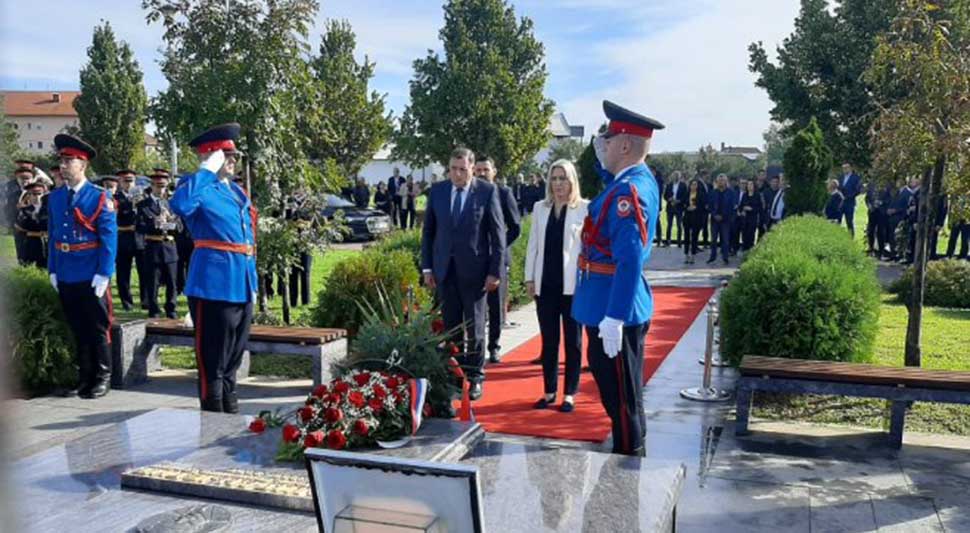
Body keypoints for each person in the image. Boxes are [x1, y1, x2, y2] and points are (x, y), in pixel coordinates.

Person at [572, 100, 663, 456]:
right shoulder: (632, 180)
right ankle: (632, 450)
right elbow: (610, 183)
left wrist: (614, 317)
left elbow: (629, 259)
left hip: (611, 306)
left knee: (622, 402)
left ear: (625, 145)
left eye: (608, 141)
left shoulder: (628, 192)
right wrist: (602, 159)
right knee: (626, 397)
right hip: (605, 300)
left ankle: (627, 463)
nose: (603, 146)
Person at [170, 123, 258, 413]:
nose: (233, 161)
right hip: (213, 285)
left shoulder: (236, 191)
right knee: (213, 361)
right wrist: (206, 170)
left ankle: (230, 412)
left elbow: (247, 239)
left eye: (233, 156)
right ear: (211, 156)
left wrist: (253, 284)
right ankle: (212, 416)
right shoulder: (196, 186)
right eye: (226, 156)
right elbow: (180, 205)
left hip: (241, 283)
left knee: (233, 358)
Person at [421, 147, 505, 402]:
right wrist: (427, 268)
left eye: (462, 169)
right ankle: (455, 377)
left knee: (475, 328)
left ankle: (475, 376)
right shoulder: (438, 191)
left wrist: (494, 272)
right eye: (453, 169)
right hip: (445, 272)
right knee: (451, 327)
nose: (457, 174)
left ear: (471, 168)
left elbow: (497, 236)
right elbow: (428, 233)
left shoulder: (487, 192)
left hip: (476, 274)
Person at [47, 134, 118, 399]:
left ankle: (103, 376)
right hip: (66, 271)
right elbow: (53, 235)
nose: (63, 166)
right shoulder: (55, 197)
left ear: (83, 164)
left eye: (69, 161)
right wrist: (53, 269)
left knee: (98, 326)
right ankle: (84, 377)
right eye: (61, 161)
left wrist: (104, 273)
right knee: (77, 326)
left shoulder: (99, 197)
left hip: (91, 271)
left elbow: (109, 239)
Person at [524, 159, 587, 412]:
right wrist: (529, 278)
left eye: (563, 178)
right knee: (549, 340)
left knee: (573, 341)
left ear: (572, 181)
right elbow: (533, 246)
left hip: (573, 287)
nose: (558, 183)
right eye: (554, 178)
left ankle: (569, 393)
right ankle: (549, 391)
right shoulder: (540, 208)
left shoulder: (584, 208)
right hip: (546, 285)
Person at [473, 156, 521, 364]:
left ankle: (494, 346)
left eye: (486, 169)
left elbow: (515, 227)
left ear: (494, 171)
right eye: (478, 170)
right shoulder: (470, 193)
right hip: (474, 259)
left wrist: (498, 246)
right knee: (475, 306)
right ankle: (475, 348)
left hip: (497, 259)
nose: (482, 173)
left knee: (495, 306)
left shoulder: (503, 193)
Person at [112, 170, 140, 310]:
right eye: (126, 181)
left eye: (131, 181)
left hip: (140, 237)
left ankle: (146, 300)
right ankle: (126, 301)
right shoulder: (115, 198)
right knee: (123, 272)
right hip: (123, 236)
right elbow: (113, 219)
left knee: (144, 270)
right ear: (120, 182)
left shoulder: (142, 197)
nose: (129, 184)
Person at [16, 180, 48, 269]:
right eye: (34, 194)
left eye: (39, 193)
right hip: (31, 245)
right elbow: (20, 230)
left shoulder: (50, 209)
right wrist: (37, 234)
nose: (37, 197)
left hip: (48, 246)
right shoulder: (24, 211)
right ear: (29, 195)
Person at [707, 174, 736, 265]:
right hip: (714, 220)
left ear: (726, 181)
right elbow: (709, 205)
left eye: (722, 180)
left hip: (725, 220)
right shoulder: (713, 192)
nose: (721, 182)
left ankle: (725, 257)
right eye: (719, 180)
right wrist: (714, 215)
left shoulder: (731, 193)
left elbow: (732, 206)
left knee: (725, 240)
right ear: (717, 182)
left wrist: (723, 216)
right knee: (713, 240)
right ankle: (712, 257)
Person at [8, 165, 34, 265]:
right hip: (18, 228)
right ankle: (22, 268)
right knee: (21, 253)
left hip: (35, 229)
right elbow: (9, 210)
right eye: (22, 178)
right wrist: (13, 224)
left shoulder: (39, 192)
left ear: (32, 179)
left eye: (27, 178)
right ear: (18, 180)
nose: (25, 181)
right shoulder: (13, 195)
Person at [682, 178, 708, 264]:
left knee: (694, 237)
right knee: (686, 236)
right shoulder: (686, 194)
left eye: (695, 184)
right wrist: (687, 207)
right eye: (692, 184)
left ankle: (693, 255)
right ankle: (686, 255)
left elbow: (703, 206)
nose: (693, 186)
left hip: (696, 218)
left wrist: (696, 208)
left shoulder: (701, 194)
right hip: (687, 217)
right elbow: (683, 203)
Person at [662, 171, 687, 246]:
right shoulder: (669, 185)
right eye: (674, 175)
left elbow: (685, 196)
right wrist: (669, 199)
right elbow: (665, 195)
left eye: (677, 176)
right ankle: (668, 241)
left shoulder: (683, 185)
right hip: (670, 207)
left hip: (679, 207)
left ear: (680, 177)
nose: (675, 177)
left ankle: (679, 242)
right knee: (669, 225)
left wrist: (679, 201)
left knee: (679, 225)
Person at [737, 179, 762, 252]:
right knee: (744, 235)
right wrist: (742, 211)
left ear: (754, 186)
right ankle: (744, 249)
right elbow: (741, 206)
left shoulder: (757, 195)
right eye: (748, 184)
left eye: (751, 184)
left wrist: (751, 209)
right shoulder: (744, 195)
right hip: (744, 219)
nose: (749, 186)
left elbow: (759, 208)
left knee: (751, 235)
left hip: (752, 219)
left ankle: (750, 250)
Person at [839, 163, 862, 237]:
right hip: (840, 202)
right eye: (843, 168)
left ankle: (851, 237)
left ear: (850, 168)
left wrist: (849, 196)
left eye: (846, 168)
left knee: (849, 221)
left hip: (849, 202)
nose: (845, 169)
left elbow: (858, 190)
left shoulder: (856, 178)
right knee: (837, 220)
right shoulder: (840, 177)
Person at [946, 194, 969, 260]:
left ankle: (963, 257)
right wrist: (950, 220)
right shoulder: (955, 193)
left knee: (965, 240)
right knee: (952, 238)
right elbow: (951, 207)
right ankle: (949, 255)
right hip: (956, 218)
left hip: (966, 219)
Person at [929, 193, 948, 260]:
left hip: (936, 221)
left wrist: (940, 224)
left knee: (933, 239)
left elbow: (944, 210)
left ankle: (931, 256)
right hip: (925, 221)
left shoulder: (942, 195)